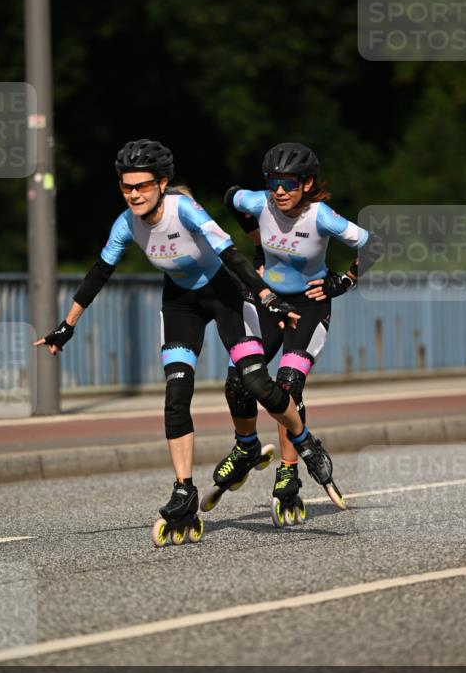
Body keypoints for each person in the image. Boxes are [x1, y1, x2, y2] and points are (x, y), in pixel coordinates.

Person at [34, 138, 339, 544]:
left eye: (141, 186)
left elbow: (231, 254)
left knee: (254, 384)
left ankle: (304, 442)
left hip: (225, 295)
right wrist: (67, 324)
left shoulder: (186, 210)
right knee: (177, 393)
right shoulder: (125, 223)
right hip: (180, 304)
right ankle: (183, 489)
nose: (134, 195)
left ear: (162, 183)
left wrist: (267, 297)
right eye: (126, 187)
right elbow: (97, 274)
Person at [219, 141, 383, 523]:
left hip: (309, 307)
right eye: (273, 181)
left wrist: (344, 281)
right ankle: (245, 447)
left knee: (287, 384)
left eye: (289, 183)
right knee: (238, 382)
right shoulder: (259, 202)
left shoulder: (321, 216)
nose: (279, 191)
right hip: (267, 302)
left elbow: (374, 243)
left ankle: (288, 473)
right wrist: (258, 251)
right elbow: (230, 198)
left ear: (307, 183)